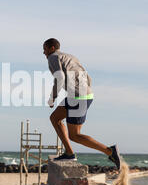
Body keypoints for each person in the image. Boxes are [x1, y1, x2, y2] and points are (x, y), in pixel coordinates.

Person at [43, 38, 121, 170]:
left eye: (44, 49)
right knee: (55, 118)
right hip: (79, 94)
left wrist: (53, 97)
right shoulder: (70, 57)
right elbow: (88, 77)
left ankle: (110, 152)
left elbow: (60, 77)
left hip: (78, 97)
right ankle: (69, 153)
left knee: (75, 135)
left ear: (51, 48)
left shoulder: (52, 57)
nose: (43, 53)